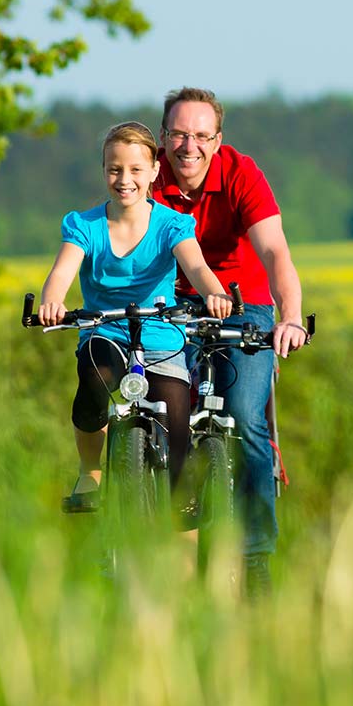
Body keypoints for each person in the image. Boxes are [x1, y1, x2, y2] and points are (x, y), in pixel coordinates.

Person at [153, 87, 308, 596]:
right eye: (178, 133)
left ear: (218, 141)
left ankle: (256, 554)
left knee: (245, 417)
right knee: (155, 412)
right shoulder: (146, 174)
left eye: (200, 135)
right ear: (163, 137)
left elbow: (276, 251)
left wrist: (289, 317)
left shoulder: (242, 175)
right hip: (169, 305)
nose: (188, 146)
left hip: (245, 306)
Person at [38, 121, 235, 514]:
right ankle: (90, 471)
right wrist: (52, 302)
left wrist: (214, 293)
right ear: (104, 171)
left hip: (161, 333)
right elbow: (61, 273)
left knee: (176, 409)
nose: (124, 179)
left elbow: (196, 267)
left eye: (134, 170)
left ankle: (179, 496)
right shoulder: (84, 225)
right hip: (105, 329)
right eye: (114, 169)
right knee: (95, 379)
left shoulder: (171, 225)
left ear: (154, 172)